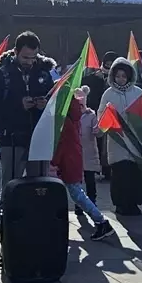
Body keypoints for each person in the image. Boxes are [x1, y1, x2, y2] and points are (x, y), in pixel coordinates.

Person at [0, 30, 56, 201]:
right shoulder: (0, 76)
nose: (30, 62)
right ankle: (8, 218)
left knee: (38, 187)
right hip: (11, 139)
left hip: (38, 139)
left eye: (33, 57)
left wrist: (45, 105)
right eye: (25, 57)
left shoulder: (44, 76)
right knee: (11, 186)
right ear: (15, 52)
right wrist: (18, 105)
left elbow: (55, 105)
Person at [51, 90, 115, 240]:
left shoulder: (64, 120)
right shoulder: (73, 116)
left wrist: (54, 162)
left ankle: (101, 221)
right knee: (76, 194)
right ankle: (100, 222)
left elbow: (61, 144)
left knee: (77, 194)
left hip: (67, 161)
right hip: (72, 159)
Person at [100, 57, 142, 215]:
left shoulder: (138, 92)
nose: (121, 79)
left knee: (133, 173)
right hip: (117, 140)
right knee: (120, 173)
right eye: (118, 76)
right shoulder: (108, 94)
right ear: (113, 76)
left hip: (135, 139)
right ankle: (120, 203)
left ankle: (134, 203)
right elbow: (101, 116)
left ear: (129, 76)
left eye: (124, 76)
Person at [76, 86, 103, 220]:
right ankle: (79, 205)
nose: (79, 107)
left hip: (89, 154)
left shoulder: (91, 115)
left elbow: (98, 132)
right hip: (75, 155)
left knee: (90, 182)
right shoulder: (69, 116)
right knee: (77, 183)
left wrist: (98, 130)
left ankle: (92, 203)